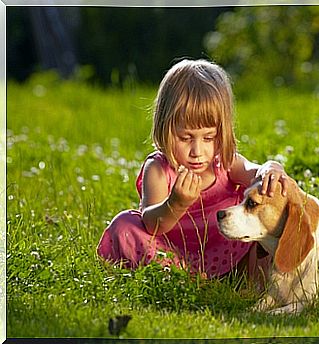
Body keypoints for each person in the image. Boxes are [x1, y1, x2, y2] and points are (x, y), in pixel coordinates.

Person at [97, 59, 288, 280]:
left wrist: (269, 169)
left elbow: (252, 171)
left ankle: (244, 278)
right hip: (172, 255)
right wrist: (175, 203)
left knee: (263, 224)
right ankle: (181, 277)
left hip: (228, 249)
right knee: (124, 225)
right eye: (185, 138)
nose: (197, 151)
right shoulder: (158, 169)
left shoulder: (224, 162)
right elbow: (151, 224)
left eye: (209, 138)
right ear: (166, 128)